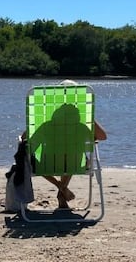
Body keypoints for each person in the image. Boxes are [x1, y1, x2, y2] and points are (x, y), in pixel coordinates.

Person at [24, 80, 107, 209]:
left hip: (46, 166)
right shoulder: (81, 127)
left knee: (35, 159)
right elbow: (102, 136)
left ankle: (61, 187)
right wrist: (90, 118)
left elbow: (27, 141)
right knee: (72, 157)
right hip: (75, 165)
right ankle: (62, 190)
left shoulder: (46, 126)